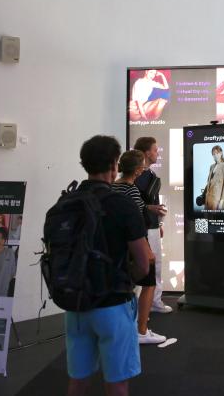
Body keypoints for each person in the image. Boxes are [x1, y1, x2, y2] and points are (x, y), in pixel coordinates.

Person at [65, 135, 151, 396]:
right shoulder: (122, 205)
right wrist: (127, 278)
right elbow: (144, 263)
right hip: (113, 303)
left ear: (85, 164)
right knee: (117, 383)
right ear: (115, 165)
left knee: (77, 380)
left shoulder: (66, 203)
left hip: (76, 305)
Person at [112, 150, 167, 344]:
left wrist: (147, 208)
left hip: (118, 246)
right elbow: (135, 222)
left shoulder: (113, 187)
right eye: (142, 165)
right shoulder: (131, 190)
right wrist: (146, 249)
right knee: (148, 283)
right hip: (134, 246)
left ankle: (129, 326)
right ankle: (142, 330)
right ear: (137, 170)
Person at [134, 137, 172, 314]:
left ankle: (154, 302)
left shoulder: (150, 175)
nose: (158, 153)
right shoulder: (137, 175)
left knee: (156, 265)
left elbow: (150, 202)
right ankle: (140, 309)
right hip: (142, 229)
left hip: (152, 226)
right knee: (145, 267)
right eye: (155, 150)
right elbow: (135, 203)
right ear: (147, 153)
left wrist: (158, 223)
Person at [204, 145, 224, 210]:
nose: (215, 155)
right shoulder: (212, 166)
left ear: (221, 153)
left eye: (217, 153)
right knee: (206, 218)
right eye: (213, 154)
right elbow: (209, 182)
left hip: (217, 199)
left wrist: (223, 201)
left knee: (215, 218)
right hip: (208, 197)